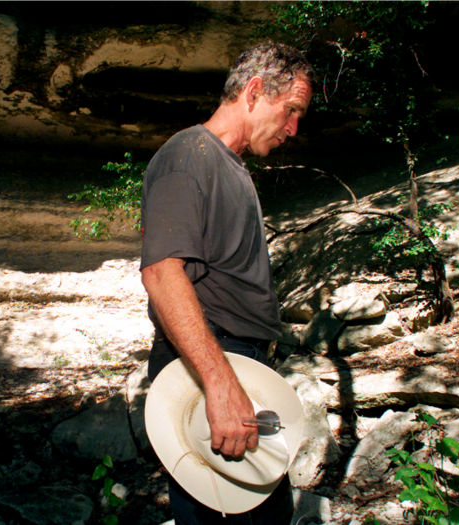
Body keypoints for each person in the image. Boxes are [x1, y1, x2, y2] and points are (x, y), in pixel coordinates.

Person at [140, 42, 314, 525]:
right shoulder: (189, 157)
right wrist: (219, 386)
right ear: (255, 91)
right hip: (212, 366)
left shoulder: (226, 164)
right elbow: (161, 272)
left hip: (239, 363)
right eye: (291, 111)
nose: (294, 128)